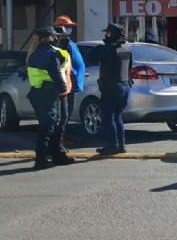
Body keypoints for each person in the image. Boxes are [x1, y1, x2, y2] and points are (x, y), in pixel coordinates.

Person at [26, 26, 74, 169]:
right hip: (48, 93)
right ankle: (41, 159)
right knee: (48, 126)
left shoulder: (34, 53)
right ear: (49, 38)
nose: (56, 39)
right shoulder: (50, 53)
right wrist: (63, 88)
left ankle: (54, 155)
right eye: (54, 37)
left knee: (48, 125)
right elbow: (56, 74)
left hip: (38, 93)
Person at [87, 23, 132, 155]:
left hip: (111, 87)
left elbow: (90, 57)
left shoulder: (105, 49)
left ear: (111, 34)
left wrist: (102, 47)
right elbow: (129, 68)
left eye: (107, 33)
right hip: (125, 86)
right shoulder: (126, 50)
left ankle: (112, 145)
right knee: (117, 116)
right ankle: (121, 145)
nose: (105, 35)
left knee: (108, 117)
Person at [53, 15, 86, 150]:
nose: (70, 29)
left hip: (71, 83)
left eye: (71, 27)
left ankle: (64, 135)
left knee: (67, 112)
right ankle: (59, 140)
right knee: (62, 114)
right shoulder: (59, 44)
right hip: (66, 83)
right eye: (68, 27)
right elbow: (62, 62)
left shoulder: (69, 42)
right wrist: (72, 72)